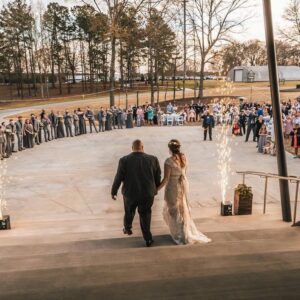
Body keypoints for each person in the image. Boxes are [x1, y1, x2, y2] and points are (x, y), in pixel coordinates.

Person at [158, 140, 211, 245]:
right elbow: (184, 173)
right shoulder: (184, 158)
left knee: (173, 210)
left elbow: (166, 179)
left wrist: (156, 189)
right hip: (182, 185)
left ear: (169, 149)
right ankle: (183, 231)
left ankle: (179, 234)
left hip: (172, 187)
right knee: (182, 209)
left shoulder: (168, 161)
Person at [111, 140, 161, 247]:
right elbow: (158, 176)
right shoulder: (153, 159)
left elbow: (118, 177)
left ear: (132, 148)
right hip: (147, 194)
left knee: (129, 211)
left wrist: (114, 191)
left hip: (130, 193)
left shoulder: (124, 160)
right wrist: (155, 188)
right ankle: (148, 239)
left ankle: (128, 228)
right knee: (145, 215)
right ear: (143, 147)